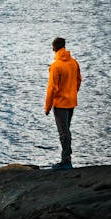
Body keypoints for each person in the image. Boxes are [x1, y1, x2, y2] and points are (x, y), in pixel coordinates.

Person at [45, 37, 82, 169]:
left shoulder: (56, 66)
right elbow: (78, 81)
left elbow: (52, 88)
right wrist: (72, 93)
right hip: (71, 102)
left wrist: (47, 107)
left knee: (63, 133)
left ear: (54, 48)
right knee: (66, 130)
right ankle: (66, 158)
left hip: (60, 104)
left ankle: (66, 161)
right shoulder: (74, 63)